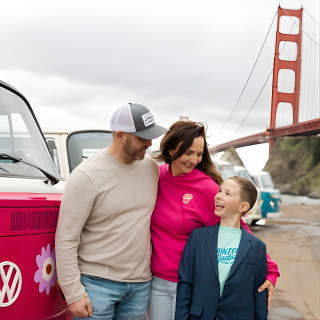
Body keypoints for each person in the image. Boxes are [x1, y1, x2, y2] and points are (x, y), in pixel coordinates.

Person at [148, 120, 279, 320]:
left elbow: (238, 229)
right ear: (172, 147)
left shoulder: (207, 188)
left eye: (199, 154)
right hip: (156, 282)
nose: (194, 160)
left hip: (192, 284)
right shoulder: (156, 177)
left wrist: (270, 270)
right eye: (188, 152)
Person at [55, 103, 167, 320]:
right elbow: (66, 238)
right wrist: (73, 293)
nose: (150, 143)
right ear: (120, 135)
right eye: (142, 137)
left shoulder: (151, 169)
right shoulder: (86, 176)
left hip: (140, 285)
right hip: (96, 286)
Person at [175, 176, 268, 320]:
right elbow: (185, 283)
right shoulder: (198, 238)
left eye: (227, 193)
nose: (218, 196)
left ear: (243, 207)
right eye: (219, 191)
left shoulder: (257, 247)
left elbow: (259, 295)